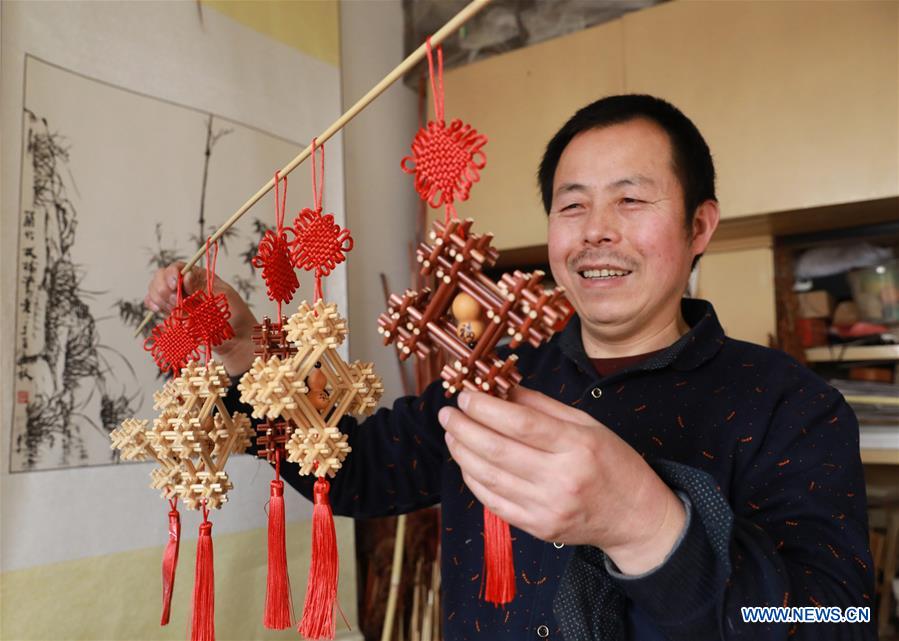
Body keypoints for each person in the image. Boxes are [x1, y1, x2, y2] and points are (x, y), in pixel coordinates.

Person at [146, 95, 876, 640]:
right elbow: (356, 465)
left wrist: (649, 527)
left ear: (699, 226)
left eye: (630, 198)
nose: (596, 230)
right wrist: (242, 350)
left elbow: (836, 615)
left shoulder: (792, 406)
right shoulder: (491, 375)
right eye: (571, 205)